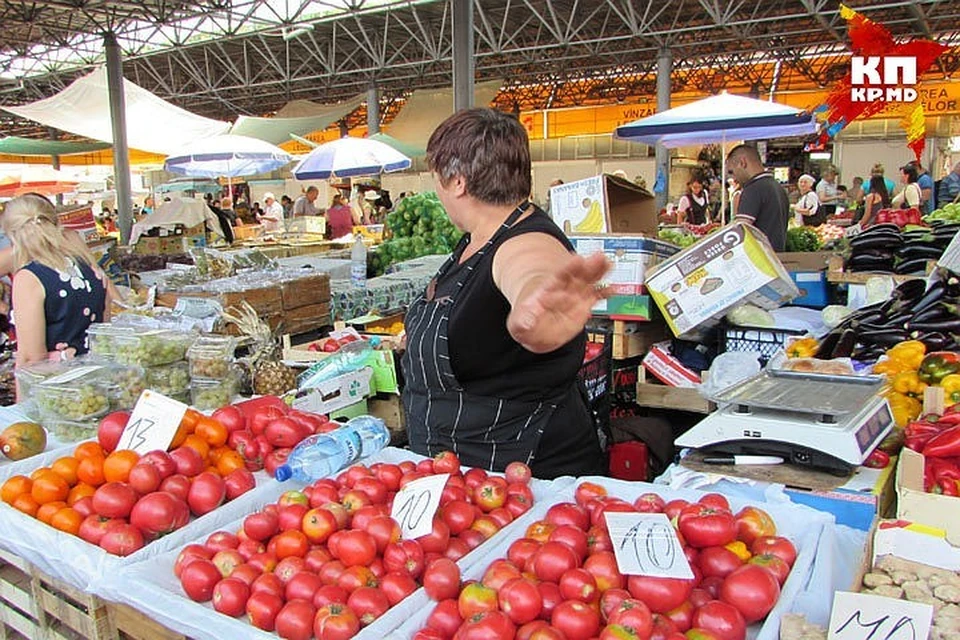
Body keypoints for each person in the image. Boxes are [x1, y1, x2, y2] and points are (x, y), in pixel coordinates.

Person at [401, 108, 609, 479]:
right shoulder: (476, 239)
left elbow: (529, 269)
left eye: (436, 177)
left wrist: (536, 301)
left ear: (457, 181)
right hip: (461, 469)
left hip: (522, 477)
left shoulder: (526, 239)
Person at [3, 194, 113, 367]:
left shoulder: (29, 277)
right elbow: (104, 328)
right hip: (95, 376)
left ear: (11, 233)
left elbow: (32, 359)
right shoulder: (88, 267)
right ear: (55, 223)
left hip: (56, 386)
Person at [727, 144, 790, 251]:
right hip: (775, 258)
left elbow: (740, 232)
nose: (734, 178)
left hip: (758, 260)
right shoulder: (777, 186)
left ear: (743, 163)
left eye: (731, 172)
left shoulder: (753, 189)